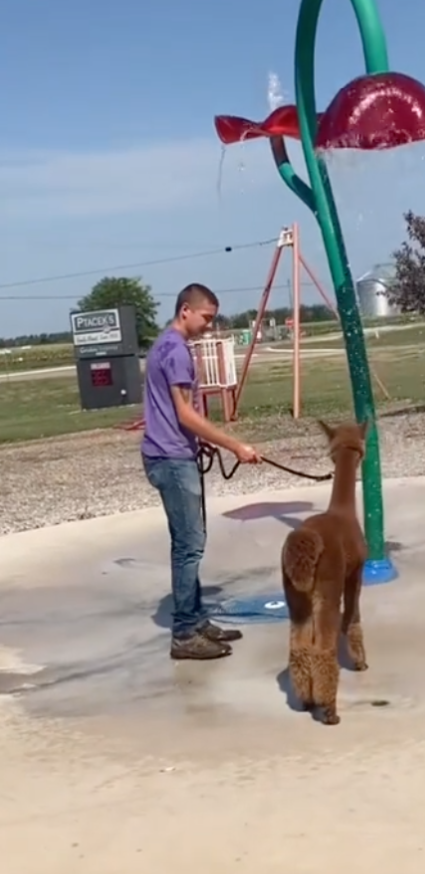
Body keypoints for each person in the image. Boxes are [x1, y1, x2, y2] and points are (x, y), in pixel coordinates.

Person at [141, 282, 262, 661]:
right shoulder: (175, 351)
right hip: (171, 460)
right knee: (188, 545)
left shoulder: (165, 345)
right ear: (185, 311)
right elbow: (184, 413)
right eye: (206, 318)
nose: (209, 326)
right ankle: (183, 635)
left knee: (193, 540)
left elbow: (176, 415)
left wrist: (201, 441)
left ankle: (195, 620)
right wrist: (235, 445)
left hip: (175, 453)